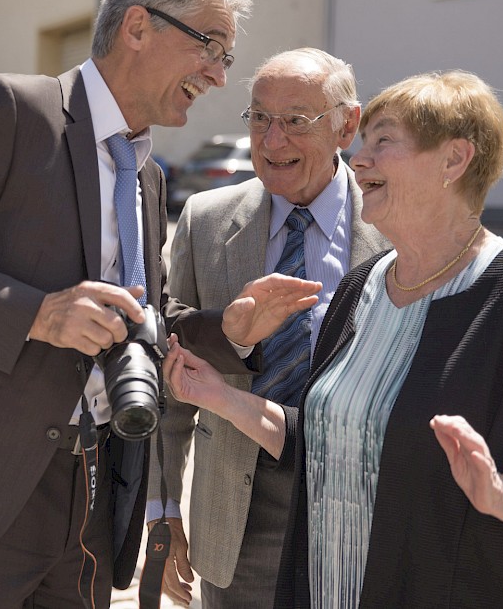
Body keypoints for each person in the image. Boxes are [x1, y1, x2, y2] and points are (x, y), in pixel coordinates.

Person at [0, 0, 321, 606]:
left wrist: (225, 329)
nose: (217, 74)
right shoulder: (10, 111)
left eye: (226, 56)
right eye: (210, 46)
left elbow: (129, 317)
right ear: (138, 26)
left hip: (93, 492)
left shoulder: (147, 176)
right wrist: (36, 313)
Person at [162, 70, 503, 608]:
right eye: (363, 142)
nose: (359, 159)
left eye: (383, 141)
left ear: (454, 160)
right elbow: (325, 441)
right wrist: (220, 397)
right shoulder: (360, 286)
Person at [146, 48, 388, 608]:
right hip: (238, 517)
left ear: (345, 125)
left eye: (296, 122)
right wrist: (163, 512)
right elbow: (172, 380)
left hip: (361, 514)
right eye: (259, 118)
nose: (272, 140)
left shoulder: (394, 227)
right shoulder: (206, 222)